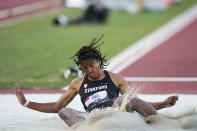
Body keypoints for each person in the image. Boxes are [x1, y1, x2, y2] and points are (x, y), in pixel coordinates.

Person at [14, 36, 178, 127]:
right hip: (93, 119)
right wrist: (26, 103)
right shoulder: (77, 83)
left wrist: (162, 104)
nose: (88, 70)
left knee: (125, 98)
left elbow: (136, 102)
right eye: (84, 68)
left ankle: (162, 123)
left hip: (115, 113)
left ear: (98, 61)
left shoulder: (116, 78)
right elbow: (56, 106)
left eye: (91, 66)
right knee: (64, 111)